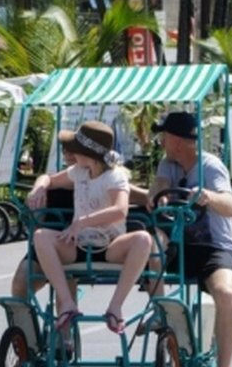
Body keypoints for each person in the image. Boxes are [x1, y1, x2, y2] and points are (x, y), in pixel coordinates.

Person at [150, 111, 232, 367]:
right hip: (178, 246)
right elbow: (158, 187)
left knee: (225, 293)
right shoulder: (168, 164)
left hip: (213, 248)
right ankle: (159, 312)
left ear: (176, 141)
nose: (162, 141)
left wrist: (208, 196)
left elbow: (231, 206)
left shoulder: (211, 167)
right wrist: (159, 195)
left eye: (165, 136)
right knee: (149, 248)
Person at [30, 121, 153, 335]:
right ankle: (68, 304)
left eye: (74, 149)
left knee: (143, 239)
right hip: (79, 244)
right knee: (41, 237)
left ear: (86, 152)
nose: (69, 153)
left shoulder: (115, 176)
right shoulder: (79, 172)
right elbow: (48, 179)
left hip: (110, 246)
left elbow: (120, 210)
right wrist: (39, 188)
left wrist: (82, 221)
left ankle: (115, 306)